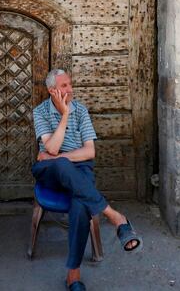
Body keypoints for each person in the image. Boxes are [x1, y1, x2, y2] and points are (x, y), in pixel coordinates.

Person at [32, 68, 142, 291]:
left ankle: (73, 276)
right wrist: (64, 116)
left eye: (70, 85)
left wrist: (57, 157)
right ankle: (114, 216)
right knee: (61, 165)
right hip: (49, 173)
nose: (70, 90)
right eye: (64, 86)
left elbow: (89, 152)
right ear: (52, 91)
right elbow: (50, 146)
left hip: (77, 169)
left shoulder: (81, 111)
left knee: (80, 203)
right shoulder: (40, 112)